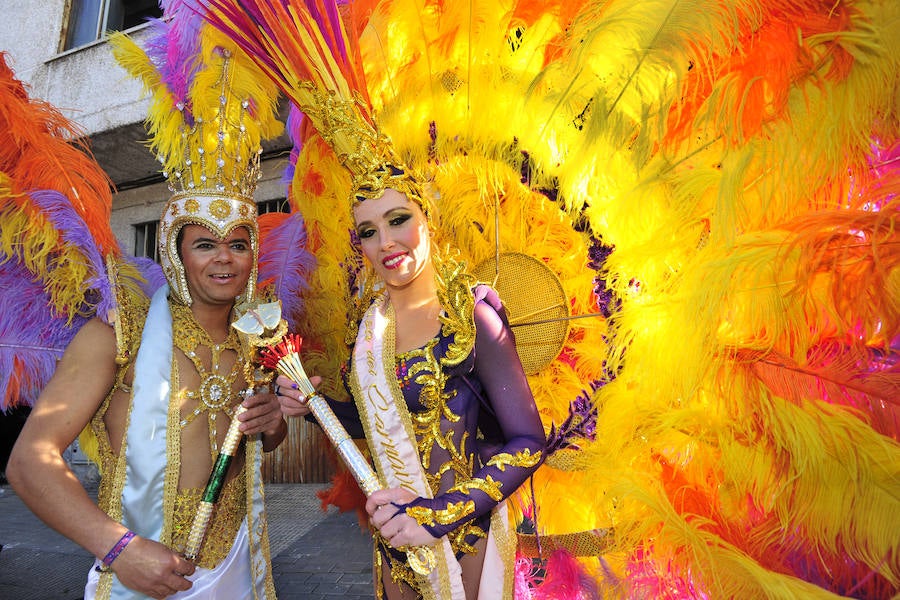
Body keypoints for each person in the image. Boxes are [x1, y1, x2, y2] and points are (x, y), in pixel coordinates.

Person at [7, 10, 287, 599]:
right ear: (174, 249)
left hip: (237, 566)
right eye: (205, 243)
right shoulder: (120, 332)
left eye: (238, 243)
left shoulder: (258, 335)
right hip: (136, 573)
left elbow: (257, 442)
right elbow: (30, 461)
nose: (224, 258)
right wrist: (120, 549)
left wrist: (272, 425)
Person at [275, 170, 547, 599]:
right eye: (369, 231)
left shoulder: (469, 316)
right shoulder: (369, 330)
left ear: (428, 219)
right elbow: (379, 420)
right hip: (396, 537)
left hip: (462, 535)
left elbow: (529, 443)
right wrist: (311, 403)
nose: (385, 242)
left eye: (398, 219)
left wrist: (436, 516)